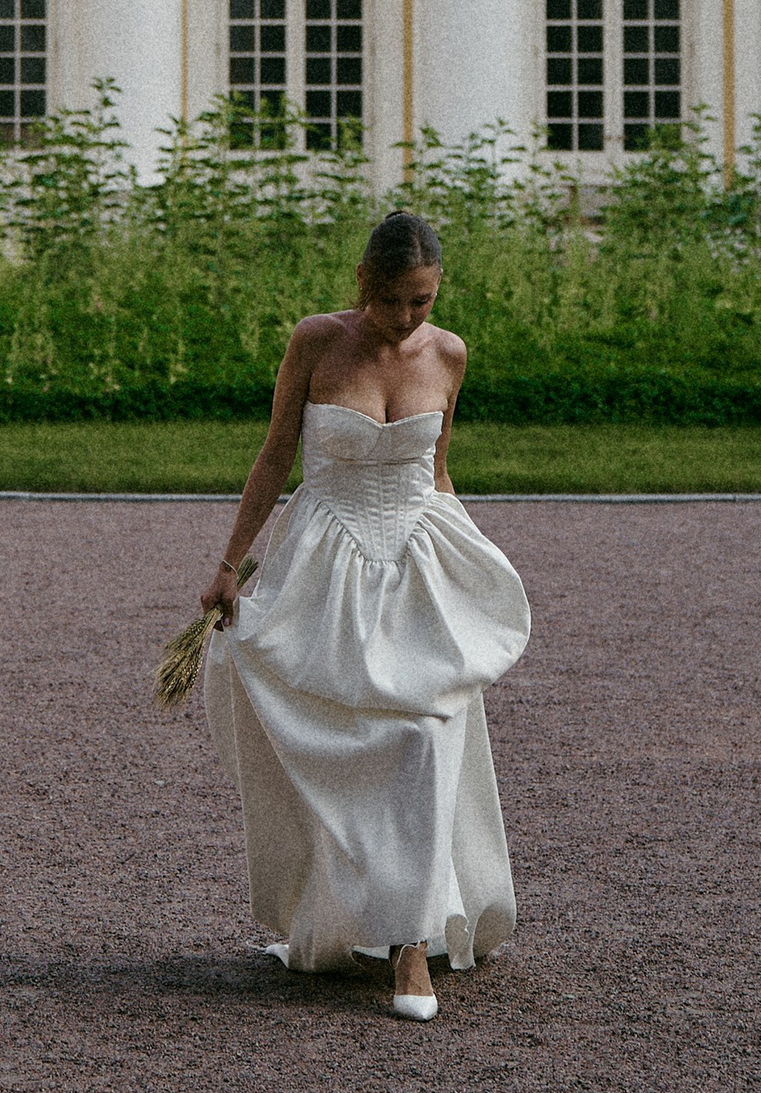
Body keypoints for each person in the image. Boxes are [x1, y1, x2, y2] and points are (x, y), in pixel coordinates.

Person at [199, 209, 532, 1018]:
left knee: (421, 735)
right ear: (361, 283)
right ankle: (339, 911)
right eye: (392, 301)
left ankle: (411, 945)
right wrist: (229, 563)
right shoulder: (316, 341)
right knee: (327, 726)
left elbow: (438, 472)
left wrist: (470, 572)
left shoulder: (449, 353)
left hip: (416, 561)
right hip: (325, 560)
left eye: (421, 300)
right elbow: (277, 454)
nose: (407, 317)